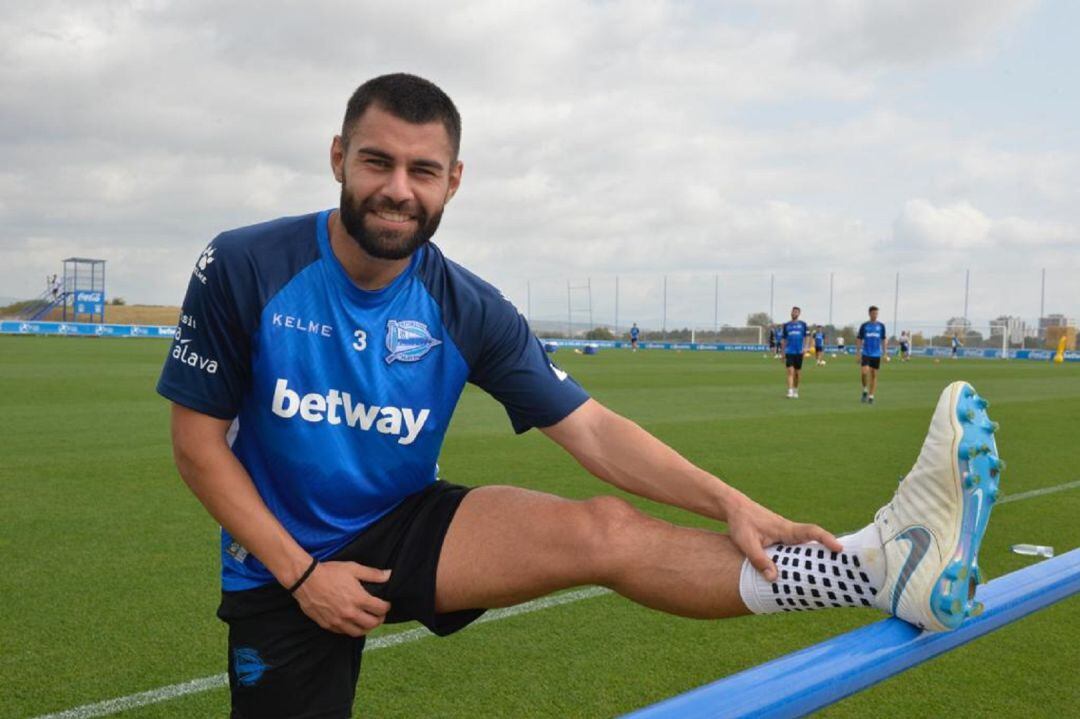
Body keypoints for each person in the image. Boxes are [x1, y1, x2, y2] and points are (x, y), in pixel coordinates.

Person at [157, 74, 1001, 717]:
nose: (398, 188)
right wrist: (303, 574)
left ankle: (878, 568)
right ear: (339, 157)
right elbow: (199, 447)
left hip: (401, 521)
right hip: (279, 559)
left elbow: (593, 430)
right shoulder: (246, 265)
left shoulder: (468, 306)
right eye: (377, 161)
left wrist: (731, 501)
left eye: (423, 169)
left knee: (603, 528)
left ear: (454, 180)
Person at [857, 306, 887, 404]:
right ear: (869, 314)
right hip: (866, 352)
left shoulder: (881, 326)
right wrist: (858, 352)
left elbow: (883, 340)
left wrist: (885, 353)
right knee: (864, 372)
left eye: (876, 313)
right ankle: (865, 389)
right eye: (873, 313)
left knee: (874, 374)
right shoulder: (864, 325)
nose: (875, 315)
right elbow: (859, 339)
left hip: (876, 354)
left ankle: (871, 396)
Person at [781, 307, 808, 398]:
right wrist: (782, 353)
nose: (794, 313)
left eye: (796, 312)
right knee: (790, 372)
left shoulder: (803, 324)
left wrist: (805, 348)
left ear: (799, 314)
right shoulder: (786, 325)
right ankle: (790, 391)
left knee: (797, 374)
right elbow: (784, 340)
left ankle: (796, 390)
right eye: (793, 312)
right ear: (791, 313)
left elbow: (807, 337)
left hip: (799, 351)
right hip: (789, 351)